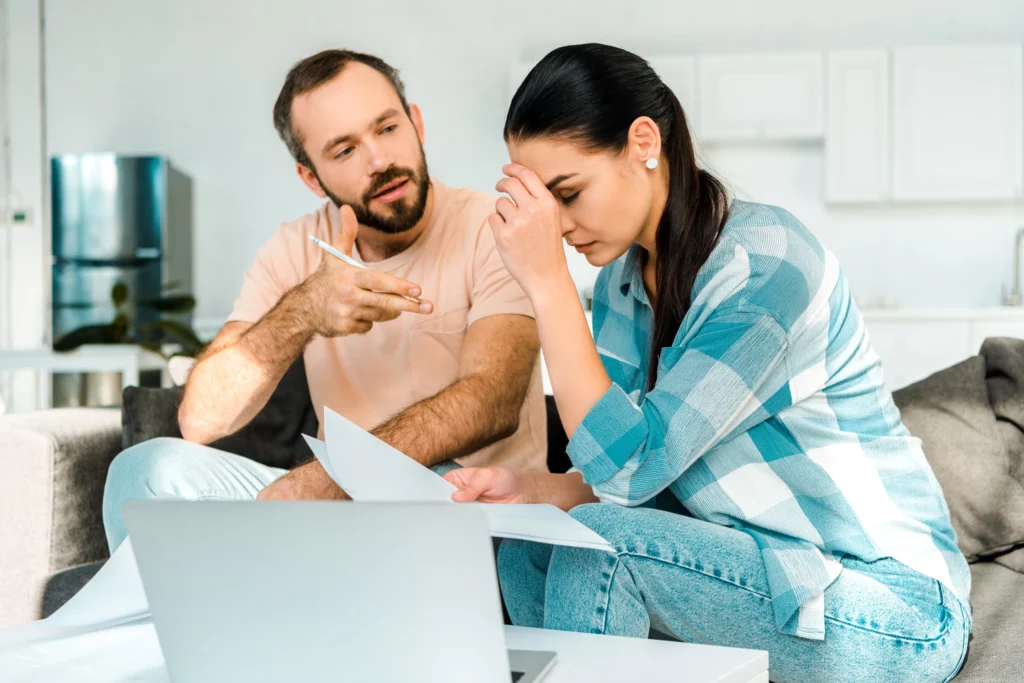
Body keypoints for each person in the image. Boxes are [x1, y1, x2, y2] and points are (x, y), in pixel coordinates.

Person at [444, 44, 971, 683]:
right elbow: (631, 464)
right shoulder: (621, 279)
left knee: (604, 547)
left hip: (889, 605)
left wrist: (547, 285)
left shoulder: (766, 267)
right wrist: (534, 492)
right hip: (763, 570)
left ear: (644, 143)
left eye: (570, 193)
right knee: (534, 543)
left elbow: (632, 473)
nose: (558, 228)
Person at [101, 49, 547, 552]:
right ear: (311, 178)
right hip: (339, 511)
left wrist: (331, 481)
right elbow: (201, 420)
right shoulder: (293, 249)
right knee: (145, 471)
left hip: (462, 505)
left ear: (415, 123)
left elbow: (493, 401)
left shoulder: (494, 227)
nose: (380, 161)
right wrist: (305, 310)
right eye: (344, 151)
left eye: (386, 129)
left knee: (440, 479)